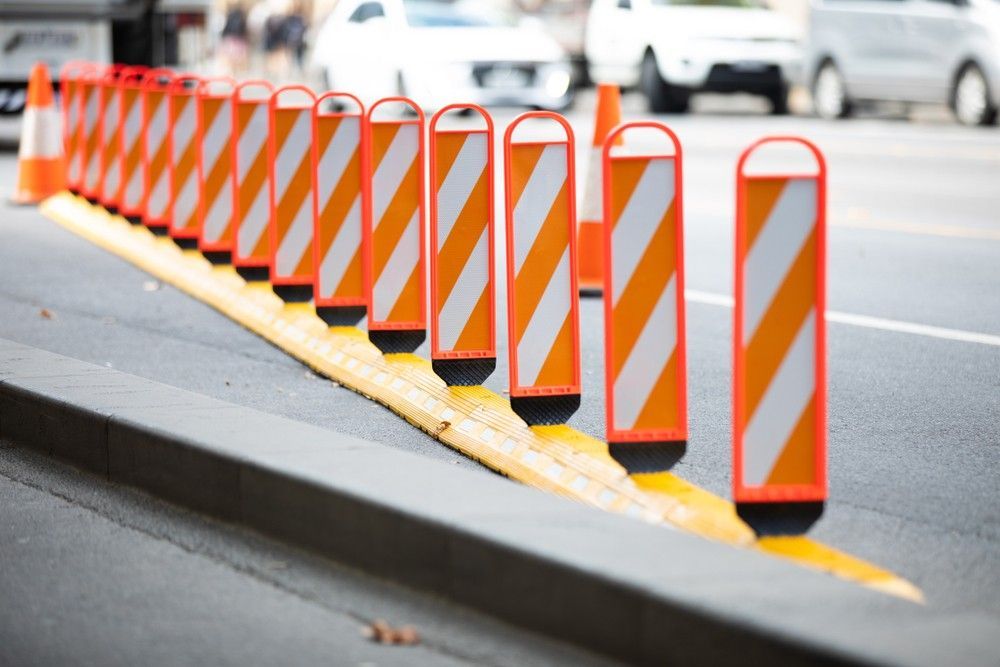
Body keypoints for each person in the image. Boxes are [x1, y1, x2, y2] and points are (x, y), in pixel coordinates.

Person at [219, 1, 249, 75]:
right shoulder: (241, 14)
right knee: (237, 57)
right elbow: (243, 28)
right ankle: (235, 72)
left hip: (232, 38)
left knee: (232, 57)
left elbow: (226, 27)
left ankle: (233, 72)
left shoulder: (230, 14)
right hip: (238, 38)